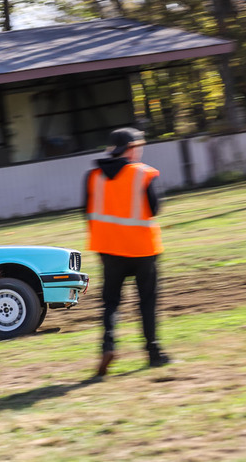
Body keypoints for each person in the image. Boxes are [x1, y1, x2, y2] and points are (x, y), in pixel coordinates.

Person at [84, 127, 171, 376]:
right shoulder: (143, 173)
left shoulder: (93, 176)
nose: (140, 151)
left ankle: (108, 346)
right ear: (130, 149)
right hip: (143, 250)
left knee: (111, 302)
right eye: (138, 146)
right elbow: (154, 209)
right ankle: (153, 352)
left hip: (109, 250)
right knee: (147, 301)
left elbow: (86, 212)